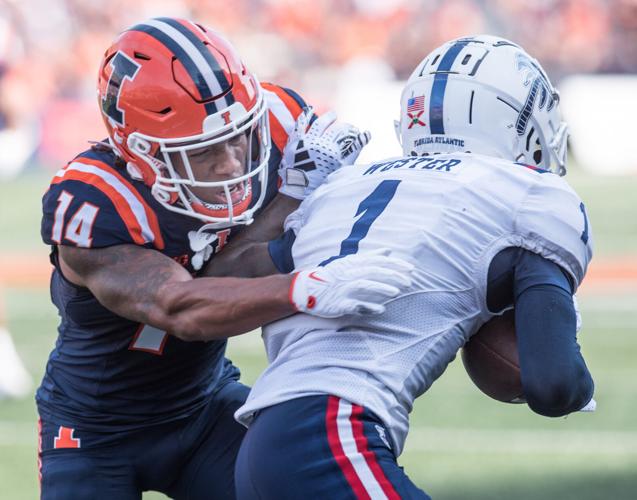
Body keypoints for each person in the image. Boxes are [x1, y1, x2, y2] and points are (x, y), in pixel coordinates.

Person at [36, 17, 414, 500]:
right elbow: (180, 307)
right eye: (205, 151)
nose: (233, 162)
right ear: (141, 152)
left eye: (238, 136)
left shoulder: (277, 122)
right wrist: (305, 282)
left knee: (307, 484)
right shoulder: (97, 201)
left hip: (205, 405)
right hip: (95, 429)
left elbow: (234, 264)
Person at [233, 35, 596, 499]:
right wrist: (567, 349)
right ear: (518, 119)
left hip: (260, 444)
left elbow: (231, 277)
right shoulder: (529, 195)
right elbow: (554, 386)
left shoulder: (342, 186)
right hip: (331, 436)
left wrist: (292, 194)